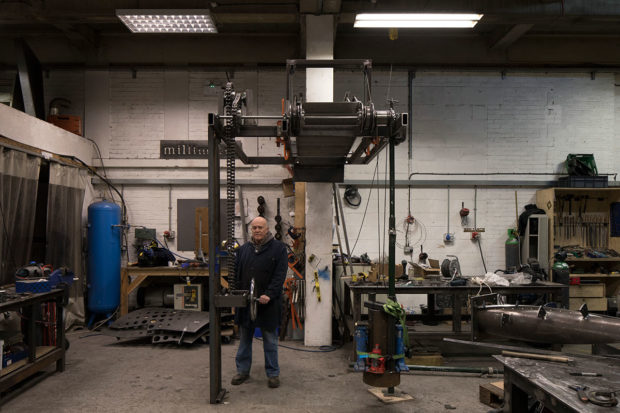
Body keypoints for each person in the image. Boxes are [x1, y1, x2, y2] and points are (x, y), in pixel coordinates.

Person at [231, 216, 288, 388]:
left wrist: (269, 294)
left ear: (267, 229)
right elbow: (236, 274)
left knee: (270, 340)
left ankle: (273, 374)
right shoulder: (243, 250)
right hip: (246, 303)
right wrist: (236, 296)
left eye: (260, 227)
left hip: (268, 303)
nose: (257, 230)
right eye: (254, 227)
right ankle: (242, 371)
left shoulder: (279, 249)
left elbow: (280, 275)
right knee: (244, 339)